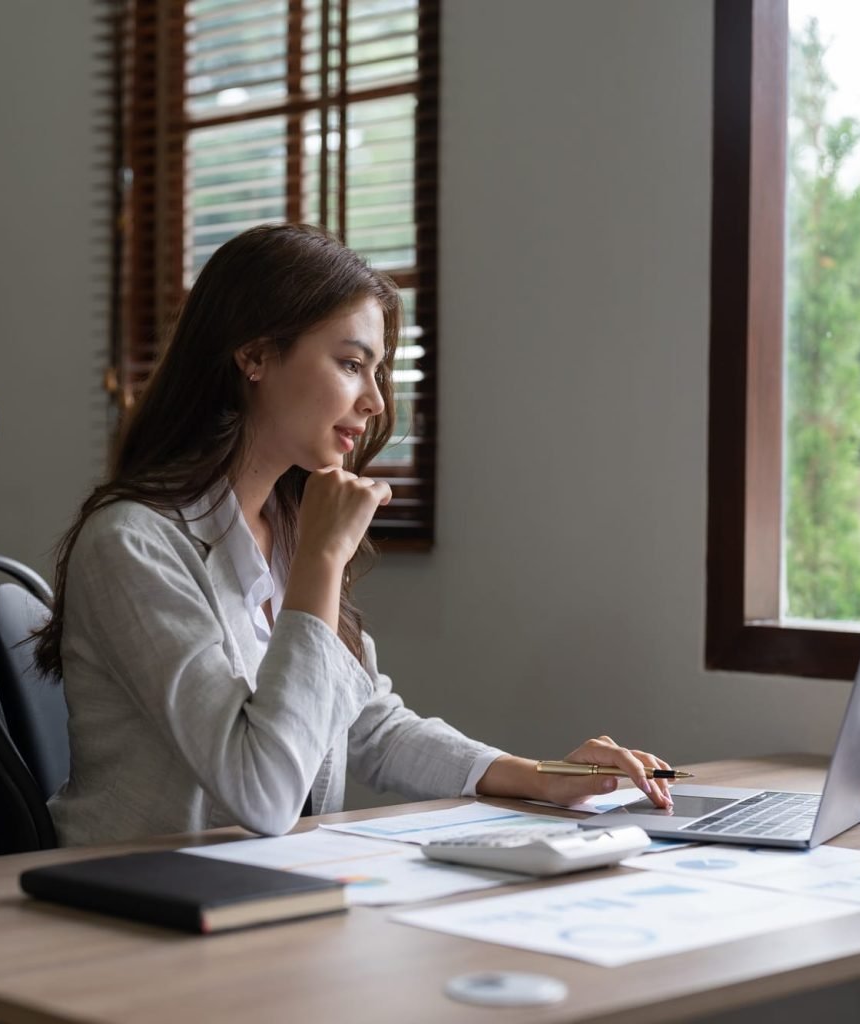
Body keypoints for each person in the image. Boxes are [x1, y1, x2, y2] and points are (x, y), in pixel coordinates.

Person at [34, 223, 673, 847]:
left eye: (376, 372)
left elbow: (367, 724)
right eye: (350, 364)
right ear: (254, 356)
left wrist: (541, 777)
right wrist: (321, 559)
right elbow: (262, 794)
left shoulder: (287, 529)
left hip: (267, 895)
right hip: (133, 908)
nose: (373, 400)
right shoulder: (133, 543)